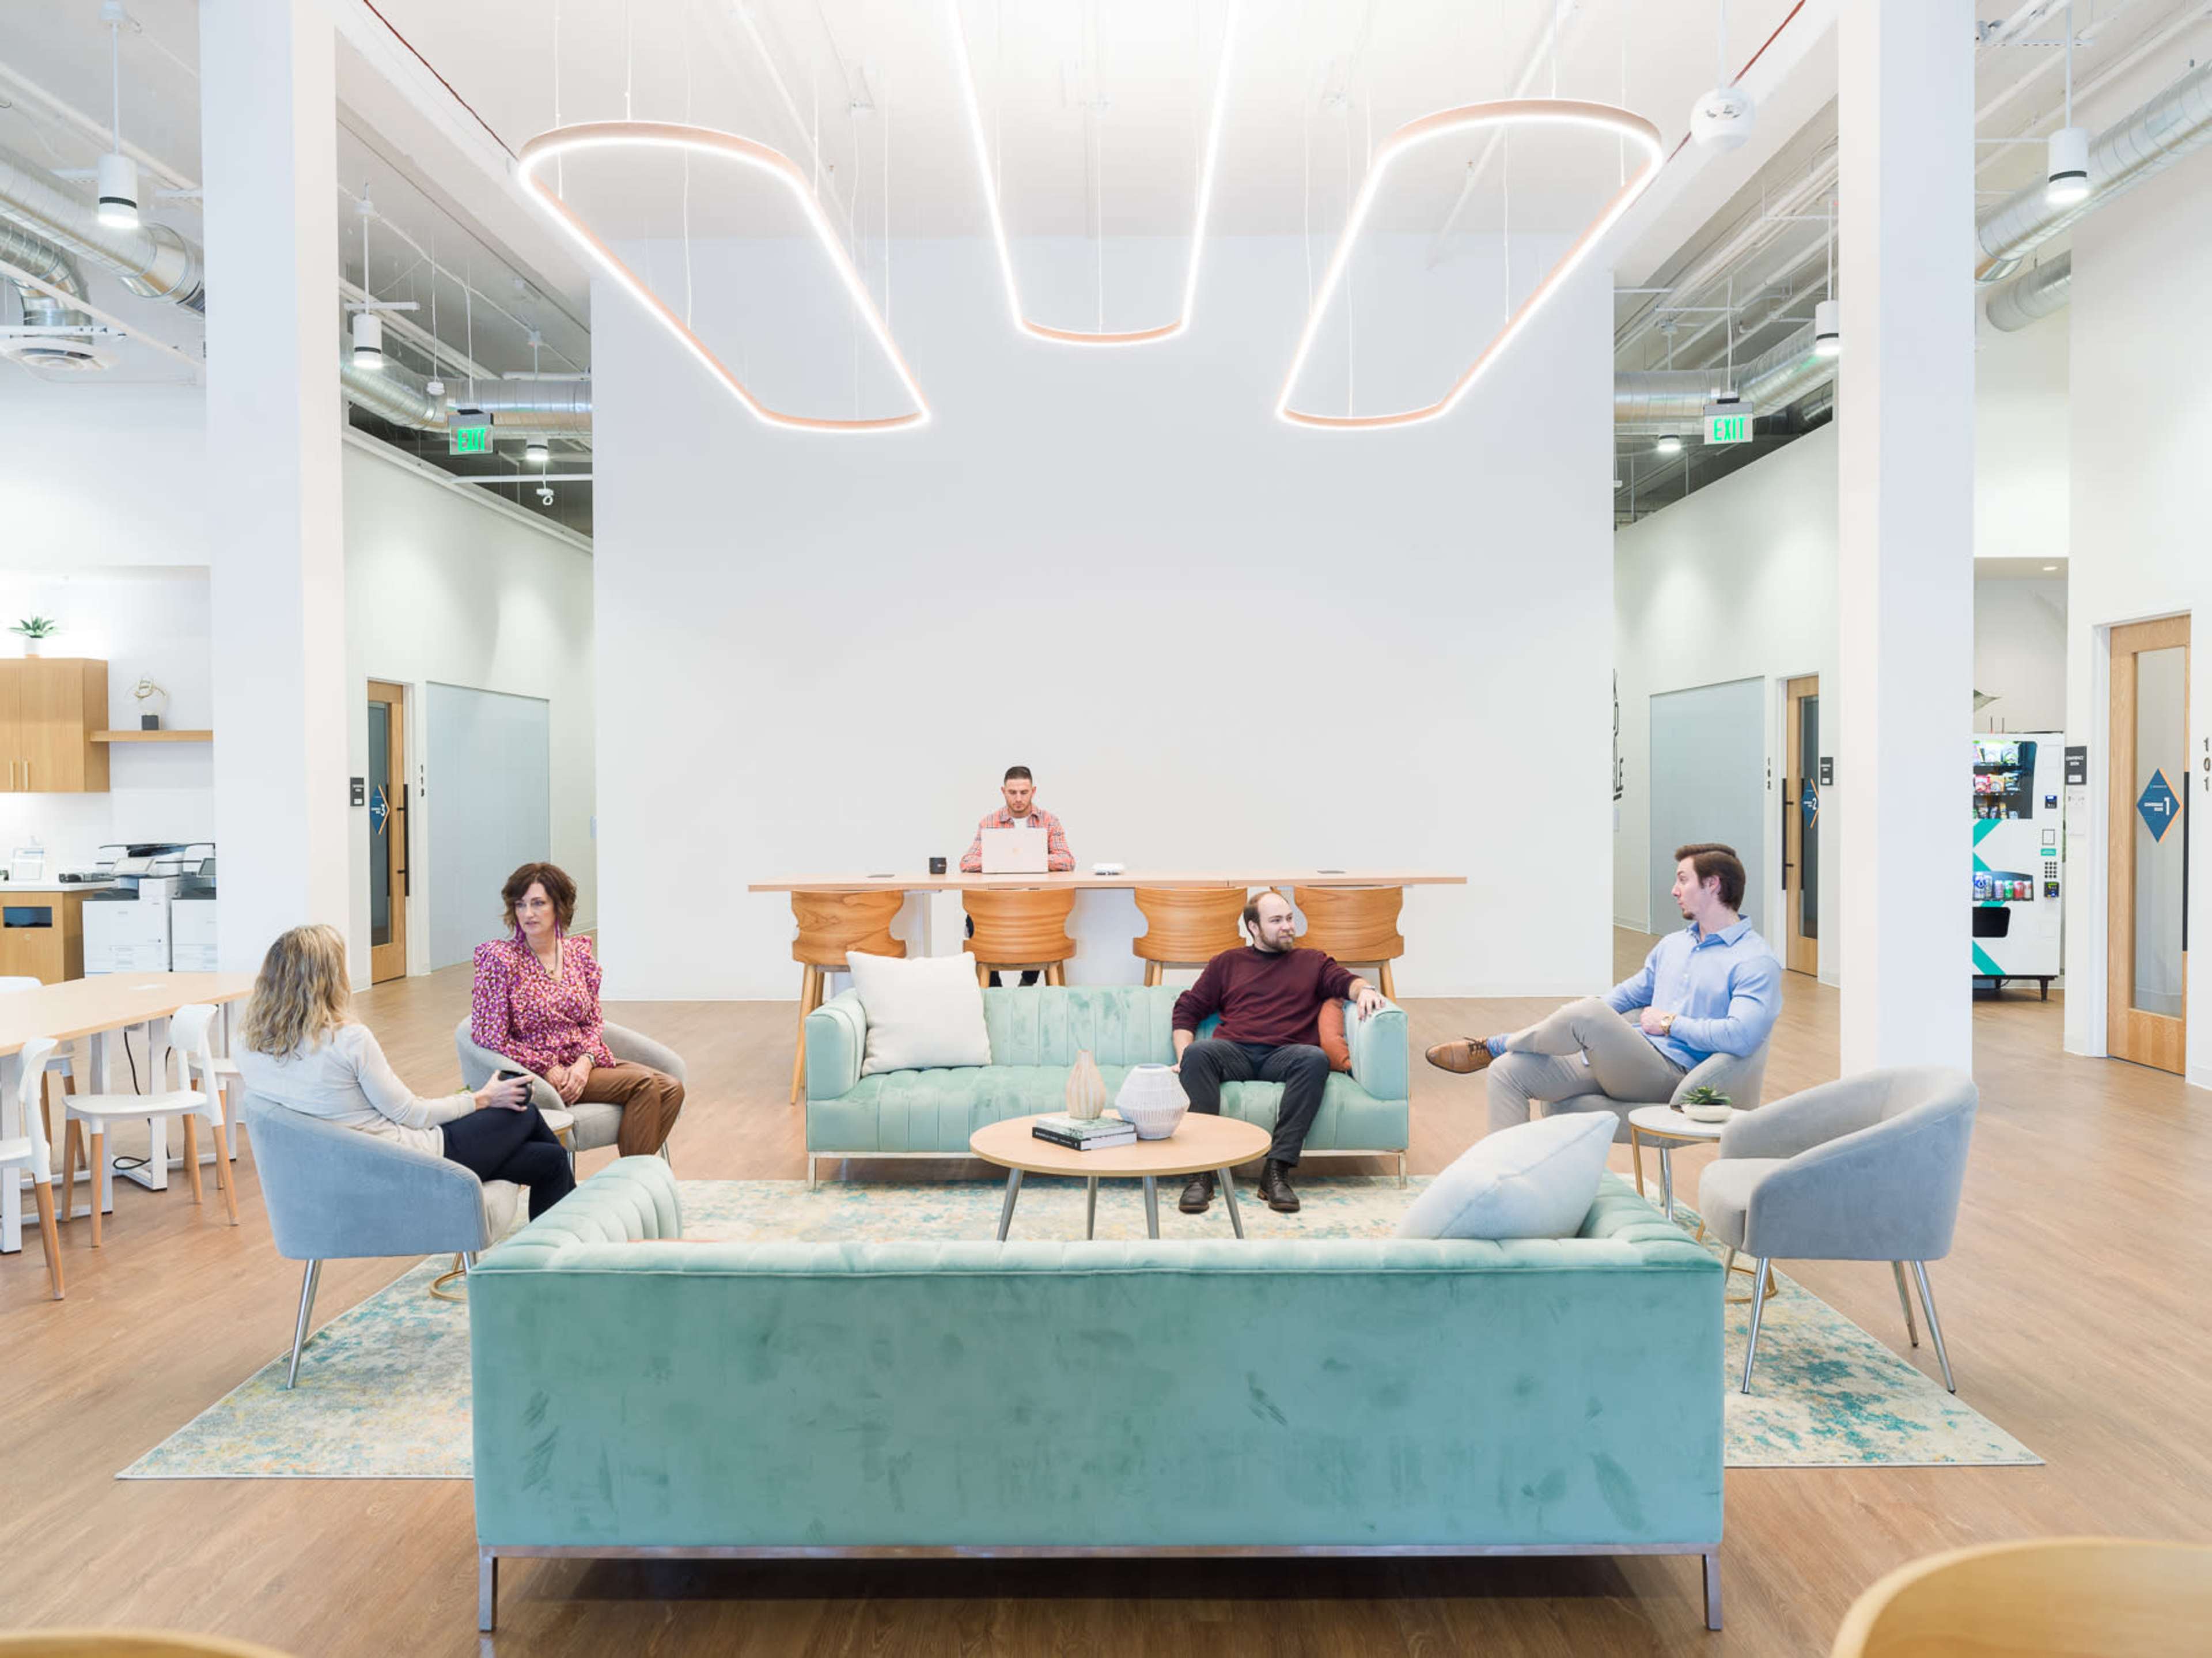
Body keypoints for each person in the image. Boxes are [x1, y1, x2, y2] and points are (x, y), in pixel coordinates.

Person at [1426, 843, 1782, 1136]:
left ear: (1713, 885)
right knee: (1510, 1070)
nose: (1674, 890)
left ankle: (1495, 1043)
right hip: (1631, 1059)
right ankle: (1505, 1186)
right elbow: (1627, 996)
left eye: (1682, 880)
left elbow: (1742, 1037)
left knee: (1587, 1014)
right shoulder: (1673, 945)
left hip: (1676, 1078)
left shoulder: (1753, 960)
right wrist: (1570, 1026)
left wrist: (1672, 1023)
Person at [234, 923, 575, 1220]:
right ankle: (580, 1237)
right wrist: (483, 1098)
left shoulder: (247, 1045)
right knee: (524, 1113)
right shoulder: (348, 1039)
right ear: (328, 979)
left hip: (347, 1170)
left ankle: (554, 1255)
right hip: (409, 1160)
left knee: (549, 1159)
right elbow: (411, 1114)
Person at [1171, 889, 1387, 1215]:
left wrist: (1366, 989)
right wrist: (1183, 1053)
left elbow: (1346, 982)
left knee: (1314, 1059)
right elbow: (1188, 1008)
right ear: (1253, 928)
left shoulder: (1312, 961)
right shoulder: (1227, 963)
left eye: (1289, 918)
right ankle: (1201, 1172)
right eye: (1276, 921)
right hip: (1236, 1051)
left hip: (1285, 1055)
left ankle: (1276, 1170)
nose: (1287, 926)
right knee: (1200, 1054)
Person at [471, 861, 685, 1157]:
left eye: (538, 903)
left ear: (558, 906)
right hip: (547, 1071)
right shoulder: (501, 959)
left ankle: (634, 1176)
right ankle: (631, 1183)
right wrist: (547, 1066)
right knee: (645, 1085)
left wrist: (585, 1061)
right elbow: (488, 1037)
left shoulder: (576, 954)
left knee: (672, 1088)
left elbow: (593, 1021)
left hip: (583, 1063)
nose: (528, 914)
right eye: (521, 905)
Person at [959, 764, 1075, 987]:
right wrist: (1003, 860)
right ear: (1003, 792)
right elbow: (967, 862)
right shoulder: (989, 822)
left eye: (1024, 792)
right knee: (975, 922)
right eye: (1013, 793)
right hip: (998, 904)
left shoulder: (1050, 822)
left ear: (1033, 791)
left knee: (1045, 922)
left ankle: (1026, 985)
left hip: (1034, 903)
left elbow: (1067, 860)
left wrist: (1028, 860)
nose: (1019, 798)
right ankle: (996, 990)